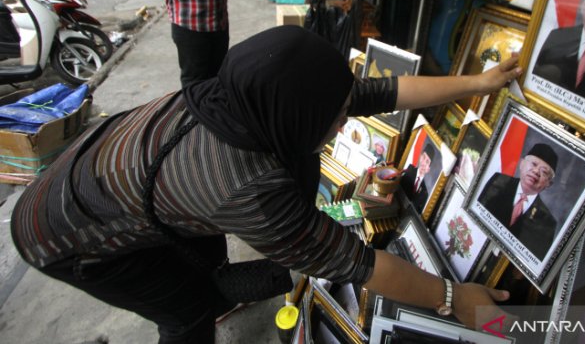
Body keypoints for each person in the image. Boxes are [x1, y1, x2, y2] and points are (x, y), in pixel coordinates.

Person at [11, 26, 522, 343]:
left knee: (204, 264)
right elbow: (357, 263)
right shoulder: (248, 188)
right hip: (64, 235)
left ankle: (217, 286)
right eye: (339, 117)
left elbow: (376, 90)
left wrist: (478, 82)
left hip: (101, 176)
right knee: (185, 312)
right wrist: (454, 299)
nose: (346, 123)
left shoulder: (247, 97)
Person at [477, 143, 559, 260]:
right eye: (534, 164)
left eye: (544, 172)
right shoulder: (497, 182)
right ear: (522, 164)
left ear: (548, 184)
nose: (536, 171)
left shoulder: (547, 223)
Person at [402, 143, 436, 213]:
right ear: (420, 156)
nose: (423, 163)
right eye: (423, 157)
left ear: (428, 169)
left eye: (427, 162)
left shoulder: (425, 193)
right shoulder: (410, 170)